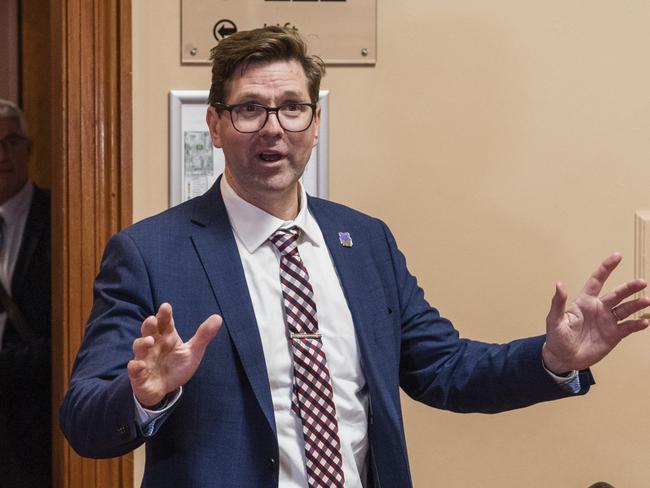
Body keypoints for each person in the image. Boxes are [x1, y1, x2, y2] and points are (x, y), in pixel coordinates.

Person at [59, 27, 649, 487]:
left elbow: (445, 370)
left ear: (315, 124)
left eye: (292, 106)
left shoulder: (365, 242)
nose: (273, 127)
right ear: (214, 125)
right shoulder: (149, 252)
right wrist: (142, 395)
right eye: (248, 109)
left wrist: (552, 359)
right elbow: (84, 420)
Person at [0, 99, 52, 486]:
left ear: (28, 149)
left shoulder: (57, 216)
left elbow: (70, 326)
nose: (2, 155)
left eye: (12, 142)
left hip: (36, 412)